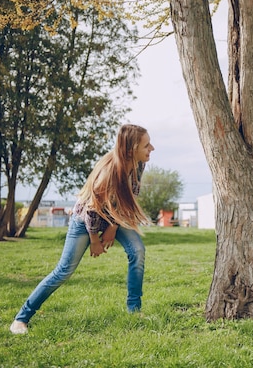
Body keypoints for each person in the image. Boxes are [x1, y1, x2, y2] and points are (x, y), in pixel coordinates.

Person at [9, 124, 154, 334]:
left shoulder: (138, 164)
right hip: (86, 220)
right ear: (131, 149)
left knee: (138, 251)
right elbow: (92, 211)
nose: (152, 148)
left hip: (113, 216)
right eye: (147, 145)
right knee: (63, 271)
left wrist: (113, 228)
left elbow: (127, 198)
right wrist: (94, 240)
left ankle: (134, 311)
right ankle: (21, 319)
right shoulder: (108, 172)